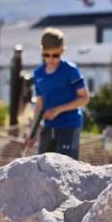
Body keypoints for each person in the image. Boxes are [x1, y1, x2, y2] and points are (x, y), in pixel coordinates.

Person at [26, 28, 90, 160]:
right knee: (44, 166)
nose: (50, 59)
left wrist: (58, 110)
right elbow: (39, 104)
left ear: (62, 51)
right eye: (46, 55)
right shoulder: (38, 74)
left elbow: (84, 98)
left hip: (69, 125)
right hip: (48, 127)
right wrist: (33, 132)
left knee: (66, 166)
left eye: (55, 55)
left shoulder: (71, 70)